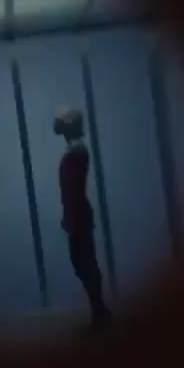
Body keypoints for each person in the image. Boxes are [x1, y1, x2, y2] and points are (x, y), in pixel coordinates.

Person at [53, 105, 111, 329]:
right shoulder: (76, 150)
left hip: (78, 213)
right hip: (78, 212)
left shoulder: (76, 152)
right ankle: (99, 309)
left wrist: (70, 215)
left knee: (84, 262)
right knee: (84, 262)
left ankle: (99, 310)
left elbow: (72, 189)